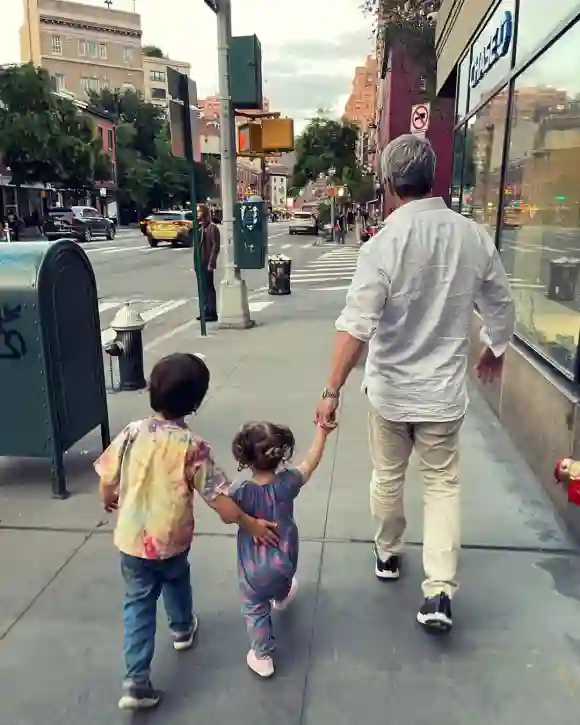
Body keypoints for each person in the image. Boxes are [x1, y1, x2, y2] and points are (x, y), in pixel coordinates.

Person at [315, 134, 515, 633]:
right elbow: (501, 302)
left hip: (389, 392)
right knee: (442, 485)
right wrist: (495, 348)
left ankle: (388, 554)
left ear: (387, 184)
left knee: (387, 475)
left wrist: (331, 390)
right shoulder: (471, 236)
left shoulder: (383, 244)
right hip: (442, 395)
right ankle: (439, 592)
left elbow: (355, 325)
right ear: (433, 180)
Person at [94, 353, 279, 711]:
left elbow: (107, 476)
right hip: (172, 541)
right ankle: (181, 628)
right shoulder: (192, 447)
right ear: (195, 402)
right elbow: (221, 504)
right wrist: (250, 523)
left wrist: (110, 497)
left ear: (151, 389)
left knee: (138, 605)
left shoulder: (132, 432)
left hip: (132, 541)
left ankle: (136, 680)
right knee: (177, 580)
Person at [228, 420, 334, 678]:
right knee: (282, 580)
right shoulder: (288, 483)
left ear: (246, 457)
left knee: (256, 609)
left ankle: (262, 655)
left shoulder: (240, 492)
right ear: (279, 454)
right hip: (285, 558)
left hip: (254, 571)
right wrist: (322, 431)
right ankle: (282, 595)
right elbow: (311, 461)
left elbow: (220, 502)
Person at [197, 204, 220, 322]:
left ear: (204, 213)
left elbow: (215, 246)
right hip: (200, 262)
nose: (197, 214)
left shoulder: (212, 228)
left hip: (207, 262)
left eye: (199, 212)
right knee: (202, 288)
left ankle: (212, 312)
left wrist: (212, 262)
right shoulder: (201, 228)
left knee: (209, 287)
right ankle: (205, 310)